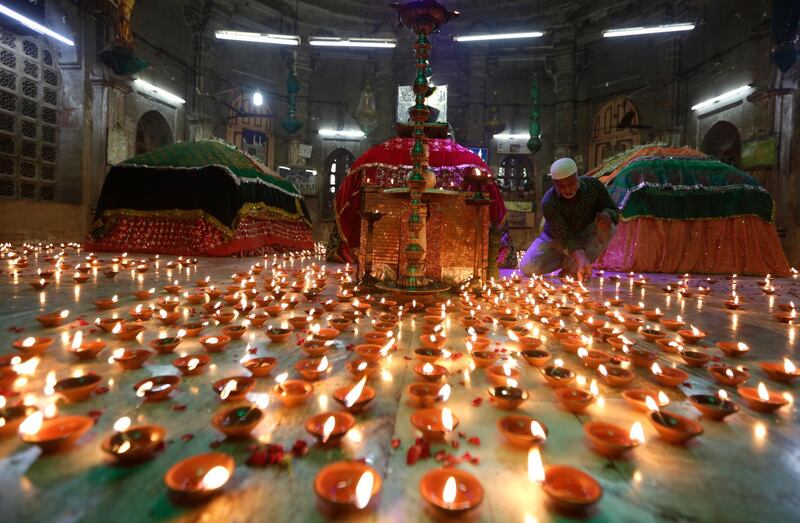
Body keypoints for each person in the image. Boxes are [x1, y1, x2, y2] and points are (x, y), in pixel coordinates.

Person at [519, 158, 618, 280]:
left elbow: (613, 209)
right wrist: (579, 255)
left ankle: (574, 265)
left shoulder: (594, 186)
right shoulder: (549, 201)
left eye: (571, 184)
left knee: (610, 227)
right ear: (555, 183)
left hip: (585, 235)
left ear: (577, 175)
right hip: (555, 240)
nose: (568, 190)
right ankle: (573, 261)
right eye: (562, 186)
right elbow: (565, 235)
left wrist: (607, 214)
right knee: (528, 267)